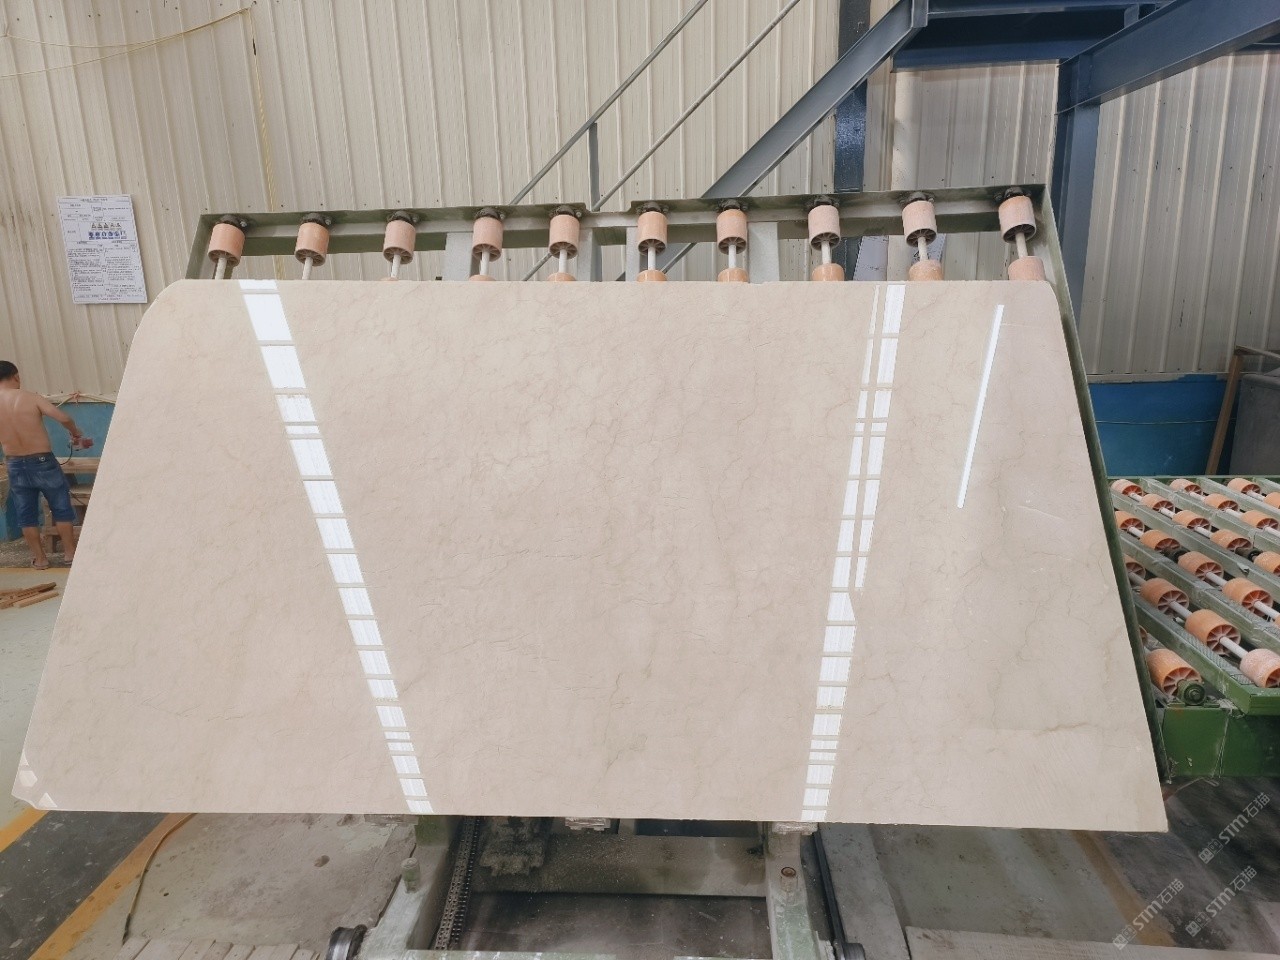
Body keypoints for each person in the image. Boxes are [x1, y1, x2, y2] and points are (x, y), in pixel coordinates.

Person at [0, 361, 90, 569]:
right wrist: (75, 432)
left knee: (26, 514)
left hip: (14, 463)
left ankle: (40, 559)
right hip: (42, 461)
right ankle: (70, 554)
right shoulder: (30, 397)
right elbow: (63, 417)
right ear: (16, 376)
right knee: (61, 507)